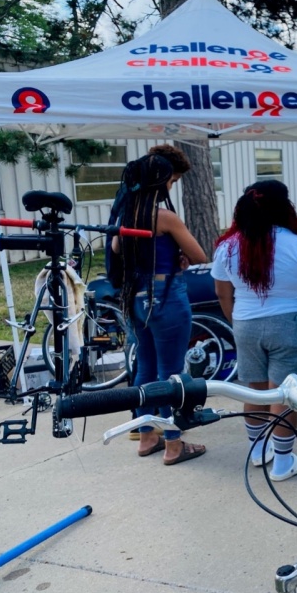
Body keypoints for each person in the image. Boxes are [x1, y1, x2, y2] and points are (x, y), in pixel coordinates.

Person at [212, 180, 297, 481]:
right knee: (285, 394)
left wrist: (237, 321)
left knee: (254, 389)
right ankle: (283, 461)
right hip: (292, 325)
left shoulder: (228, 246)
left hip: (245, 324)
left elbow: (222, 293)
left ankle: (258, 452)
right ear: (286, 207)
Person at [113, 153, 208, 465]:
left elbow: (116, 249)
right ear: (161, 182)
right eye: (171, 180)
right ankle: (173, 443)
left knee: (145, 368)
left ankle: (146, 436)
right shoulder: (164, 217)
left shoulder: (126, 214)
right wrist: (177, 255)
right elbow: (200, 255)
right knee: (171, 374)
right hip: (166, 297)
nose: (172, 184)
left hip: (136, 299)